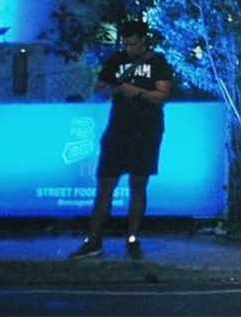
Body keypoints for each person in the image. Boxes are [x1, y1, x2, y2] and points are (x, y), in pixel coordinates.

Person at [69, 21, 174, 261]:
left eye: (133, 44)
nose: (128, 48)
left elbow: (162, 95)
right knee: (105, 185)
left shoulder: (157, 62)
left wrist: (135, 91)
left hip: (146, 131)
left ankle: (132, 238)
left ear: (143, 40)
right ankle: (94, 239)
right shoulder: (115, 60)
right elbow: (99, 90)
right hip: (117, 130)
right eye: (125, 44)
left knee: (138, 185)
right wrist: (114, 90)